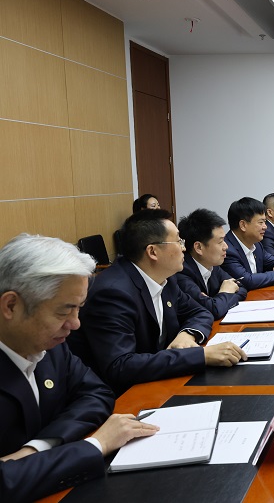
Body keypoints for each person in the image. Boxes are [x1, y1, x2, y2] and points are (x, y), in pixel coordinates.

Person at [0, 234, 158, 502]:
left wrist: (38, 448)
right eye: (64, 312)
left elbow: (96, 393)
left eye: (79, 309)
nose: (75, 324)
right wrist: (96, 445)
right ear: (11, 305)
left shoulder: (49, 343)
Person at [68, 209, 247, 395]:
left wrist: (188, 334)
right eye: (178, 241)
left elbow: (200, 312)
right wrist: (200, 356)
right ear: (152, 251)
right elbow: (121, 366)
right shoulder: (113, 293)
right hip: (123, 396)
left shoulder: (166, 279)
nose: (184, 248)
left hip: (159, 380)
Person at [176, 208, 247, 320]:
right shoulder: (182, 271)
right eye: (220, 242)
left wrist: (216, 301)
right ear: (199, 247)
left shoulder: (212, 265)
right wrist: (226, 292)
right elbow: (213, 310)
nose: (226, 247)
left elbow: (241, 288)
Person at [221, 197, 274, 291]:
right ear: (243, 225)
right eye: (261, 222)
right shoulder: (226, 250)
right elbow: (246, 281)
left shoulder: (257, 245)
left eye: (265, 222)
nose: (265, 227)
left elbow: (273, 261)